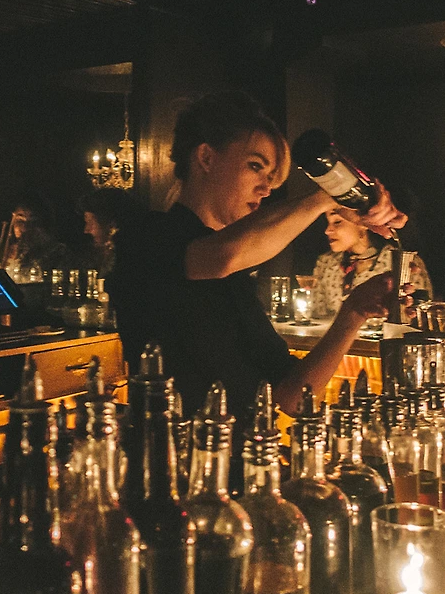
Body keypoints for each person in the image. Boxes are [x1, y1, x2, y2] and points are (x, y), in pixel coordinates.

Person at [112, 91, 406, 420]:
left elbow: (292, 398)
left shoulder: (235, 278)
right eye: (255, 167)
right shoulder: (146, 238)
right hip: (171, 450)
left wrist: (353, 313)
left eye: (270, 178)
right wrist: (330, 197)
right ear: (206, 158)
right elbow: (221, 257)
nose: (266, 189)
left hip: (246, 452)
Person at [312, 211, 433, 318]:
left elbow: (421, 316)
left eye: (337, 222)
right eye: (328, 222)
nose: (328, 230)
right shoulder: (327, 263)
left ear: (363, 224)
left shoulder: (402, 263)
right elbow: (317, 317)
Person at [78, 187, 144, 278]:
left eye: (90, 222)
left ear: (111, 224)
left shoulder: (132, 261)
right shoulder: (96, 258)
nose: (86, 230)